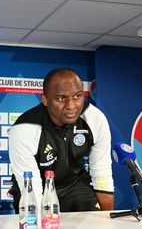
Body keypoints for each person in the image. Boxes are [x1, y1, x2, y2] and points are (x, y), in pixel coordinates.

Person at [8, 68, 114, 213]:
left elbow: (102, 173)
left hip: (74, 185)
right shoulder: (25, 128)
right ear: (45, 100)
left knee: (95, 221)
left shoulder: (94, 118)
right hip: (34, 188)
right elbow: (34, 191)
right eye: (61, 98)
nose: (71, 106)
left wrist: (108, 220)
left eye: (77, 96)